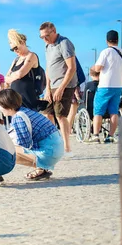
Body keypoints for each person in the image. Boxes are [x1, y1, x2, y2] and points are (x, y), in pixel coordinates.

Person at [0, 89, 63, 181]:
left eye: (0, 106)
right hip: (56, 149)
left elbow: (26, 144)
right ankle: (41, 169)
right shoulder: (25, 111)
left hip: (49, 154)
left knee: (6, 150)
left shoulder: (18, 118)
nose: (0, 109)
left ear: (7, 106)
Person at [39, 22, 77, 155]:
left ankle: (67, 147)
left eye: (47, 36)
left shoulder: (64, 43)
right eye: (42, 37)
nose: (45, 39)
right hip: (52, 85)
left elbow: (71, 67)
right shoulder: (47, 45)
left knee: (60, 115)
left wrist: (61, 88)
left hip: (65, 85)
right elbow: (48, 68)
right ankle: (55, 142)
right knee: (47, 113)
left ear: (54, 31)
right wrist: (47, 88)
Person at [85, 30, 122, 143]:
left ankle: (95, 135)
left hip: (105, 85)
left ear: (106, 40)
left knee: (98, 111)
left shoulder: (106, 52)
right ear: (117, 40)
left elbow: (98, 68)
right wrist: (121, 84)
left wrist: (93, 67)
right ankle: (110, 136)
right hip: (118, 86)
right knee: (114, 111)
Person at [5, 29, 40, 111]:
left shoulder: (31, 56)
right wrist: (15, 76)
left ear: (23, 42)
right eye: (12, 49)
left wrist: (13, 76)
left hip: (28, 98)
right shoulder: (16, 60)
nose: (15, 51)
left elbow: (21, 73)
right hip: (15, 99)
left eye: (16, 47)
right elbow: (6, 78)